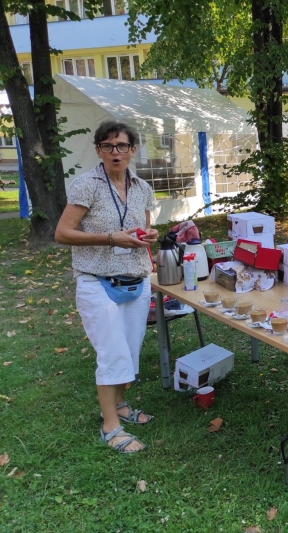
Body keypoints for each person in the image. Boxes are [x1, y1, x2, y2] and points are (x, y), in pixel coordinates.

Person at [55, 121, 159, 454]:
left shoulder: (142, 187)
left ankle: (121, 405)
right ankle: (110, 425)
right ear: (99, 149)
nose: (116, 152)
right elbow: (62, 233)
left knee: (130, 352)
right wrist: (112, 238)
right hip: (97, 282)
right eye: (108, 146)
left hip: (136, 280)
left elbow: (143, 227)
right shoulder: (87, 185)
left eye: (122, 145)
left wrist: (148, 235)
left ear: (133, 149)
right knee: (112, 353)